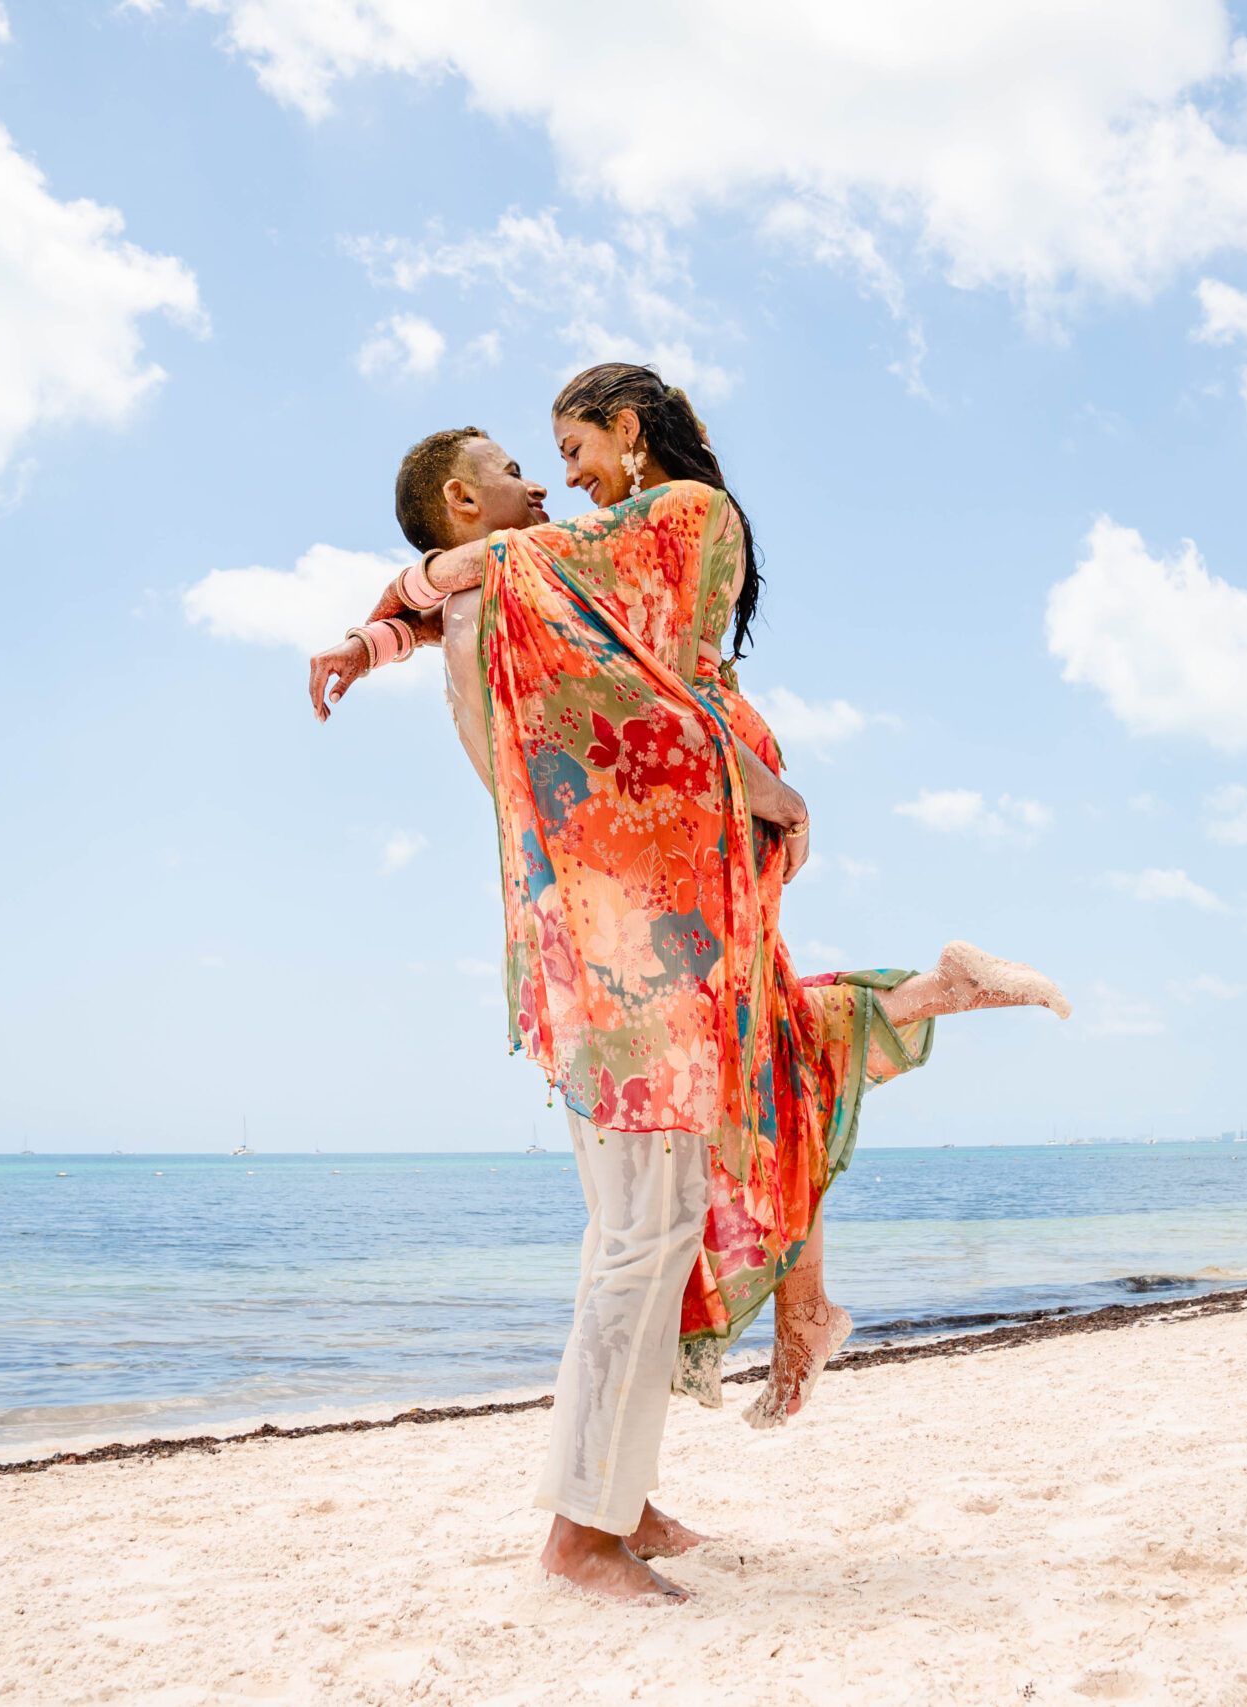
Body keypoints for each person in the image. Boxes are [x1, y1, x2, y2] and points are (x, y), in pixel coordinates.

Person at [308, 367, 1068, 1603]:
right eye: (519, 466)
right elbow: (625, 696)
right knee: (641, 1239)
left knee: (643, 1230)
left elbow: (517, 619)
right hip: (620, 962)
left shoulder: (526, 584)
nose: (548, 483)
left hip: (628, 943)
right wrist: (741, 779)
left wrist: (369, 631)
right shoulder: (519, 584)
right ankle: (581, 1535)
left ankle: (620, 1498)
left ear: (629, 430)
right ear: (462, 496)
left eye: (565, 450)